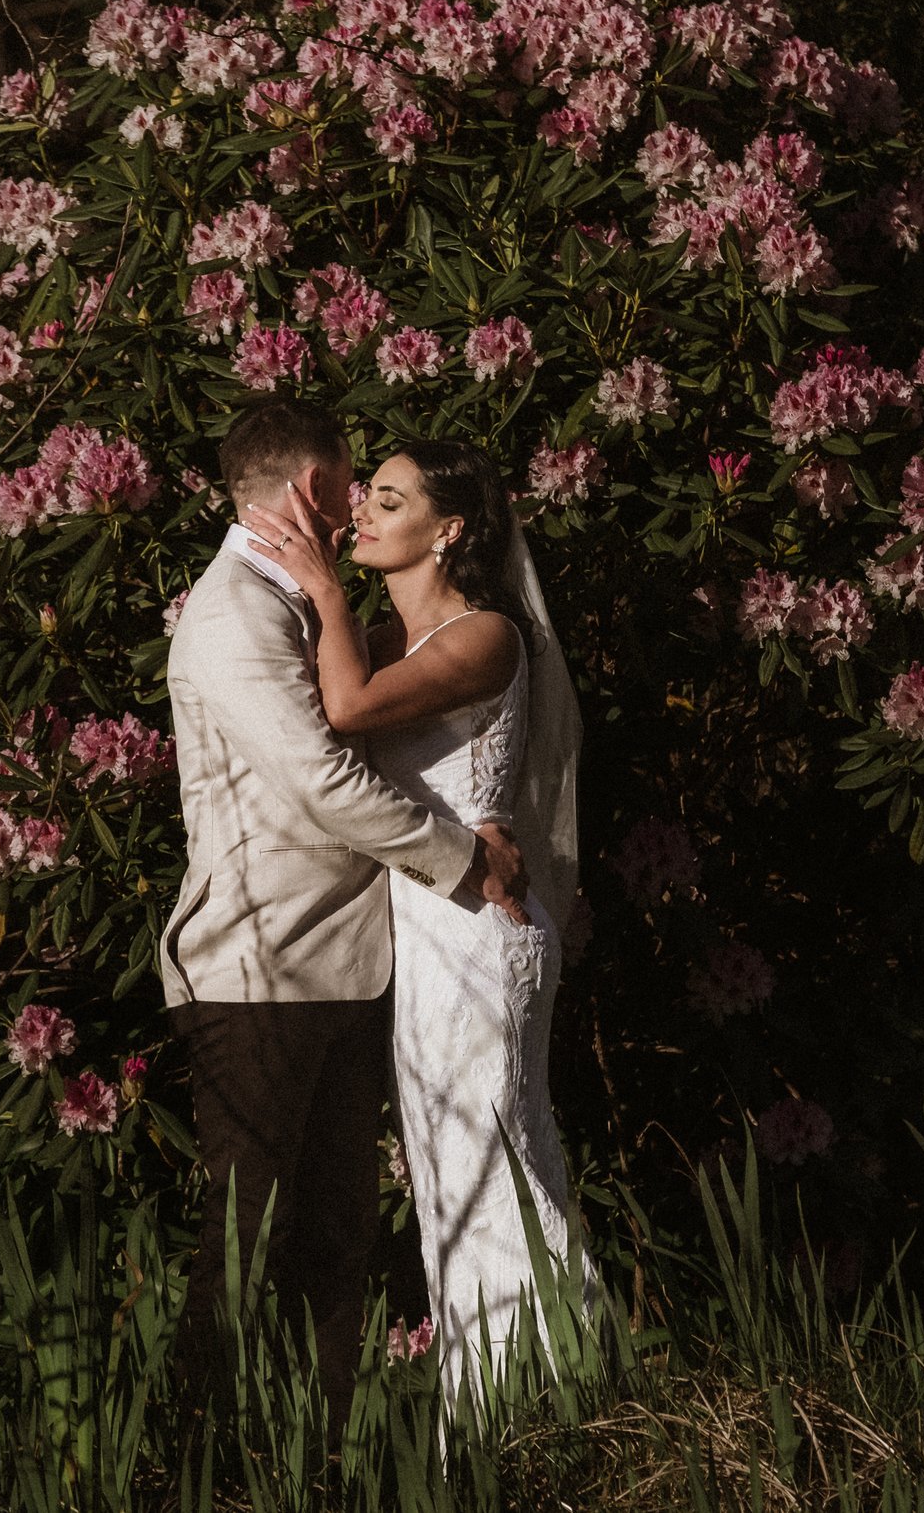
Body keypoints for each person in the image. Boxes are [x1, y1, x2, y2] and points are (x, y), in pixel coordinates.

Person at [159, 399, 528, 1433]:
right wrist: (464, 857)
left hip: (348, 967)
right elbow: (325, 780)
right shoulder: (234, 610)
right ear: (314, 490)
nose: (359, 499)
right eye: (354, 479)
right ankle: (195, 1463)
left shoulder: (316, 609)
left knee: (335, 1237)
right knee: (243, 1237)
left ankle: (319, 1452)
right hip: (258, 972)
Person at [245, 438, 596, 1406]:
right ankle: (493, 1419)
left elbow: (347, 710)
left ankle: (562, 1397)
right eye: (364, 498)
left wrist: (319, 587)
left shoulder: (486, 635)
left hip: (481, 932)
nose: (359, 515)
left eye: (387, 501)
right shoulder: (394, 639)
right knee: (447, 1176)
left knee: (497, 1164)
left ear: (447, 529)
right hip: (427, 933)